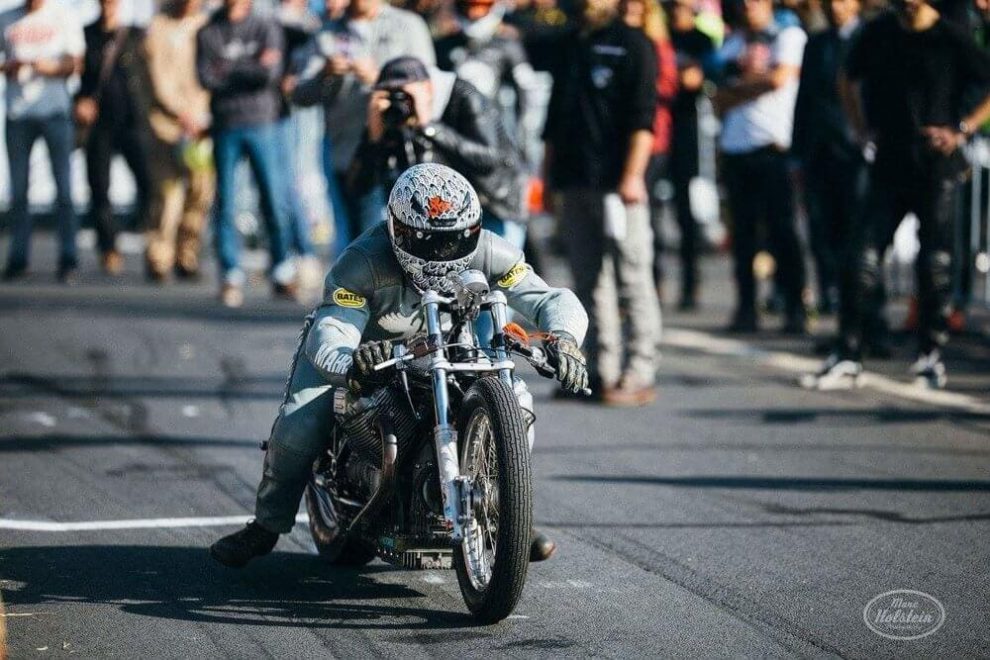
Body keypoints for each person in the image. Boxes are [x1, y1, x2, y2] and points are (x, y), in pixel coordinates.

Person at [209, 163, 589, 568]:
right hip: (365, 354)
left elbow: (549, 298)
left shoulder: (493, 251)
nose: (445, 252)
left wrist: (565, 340)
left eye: (456, 240)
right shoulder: (361, 262)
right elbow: (332, 329)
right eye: (429, 241)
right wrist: (349, 362)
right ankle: (266, 526)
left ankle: (507, 511)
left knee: (516, 399)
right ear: (399, 231)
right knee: (300, 422)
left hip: (445, 350)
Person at [804, 0, 990, 389]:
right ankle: (848, 351)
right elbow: (846, 78)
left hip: (936, 164)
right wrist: (860, 129)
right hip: (889, 160)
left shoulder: (950, 36)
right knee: (861, 257)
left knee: (934, 263)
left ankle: (929, 355)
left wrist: (962, 128)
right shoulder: (880, 32)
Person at [543, 0, 662, 406]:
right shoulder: (571, 44)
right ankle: (598, 369)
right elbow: (554, 119)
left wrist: (632, 175)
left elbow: (643, 118)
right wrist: (547, 176)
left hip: (617, 185)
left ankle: (639, 369)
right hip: (575, 181)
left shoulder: (634, 44)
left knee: (631, 277)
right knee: (588, 282)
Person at [293, 0, 436, 256]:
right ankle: (362, 292)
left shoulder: (407, 25)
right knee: (358, 239)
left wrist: (380, 78)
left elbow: (428, 83)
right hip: (347, 152)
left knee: (408, 235)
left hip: (401, 150)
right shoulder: (327, 34)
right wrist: (325, 74)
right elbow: (300, 95)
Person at [348, 57, 527, 248]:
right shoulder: (389, 118)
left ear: (428, 88)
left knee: (498, 274)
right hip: (440, 216)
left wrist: (429, 126)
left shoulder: (464, 96)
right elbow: (359, 186)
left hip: (491, 205)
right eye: (391, 95)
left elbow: (488, 159)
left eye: (405, 95)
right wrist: (374, 137)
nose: (399, 103)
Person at [713, 0, 808, 333]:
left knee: (782, 231)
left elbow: (779, 79)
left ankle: (795, 305)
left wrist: (738, 88)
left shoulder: (787, 34)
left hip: (772, 148)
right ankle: (746, 308)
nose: (747, 6)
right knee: (743, 236)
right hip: (736, 149)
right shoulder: (734, 40)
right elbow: (718, 95)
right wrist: (750, 84)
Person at [197, 0, 298, 308]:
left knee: (272, 199)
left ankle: (282, 269)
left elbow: (269, 74)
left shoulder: (265, 25)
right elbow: (206, 78)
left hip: (262, 123)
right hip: (226, 124)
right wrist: (251, 65)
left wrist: (229, 69)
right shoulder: (209, 32)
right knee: (226, 202)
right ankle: (230, 274)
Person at [0, 0, 84, 283]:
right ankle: (18, 257)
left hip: (55, 112)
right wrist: (10, 67)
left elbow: (75, 62)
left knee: (64, 189)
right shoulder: (7, 19)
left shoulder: (63, 16)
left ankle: (68, 257)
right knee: (19, 190)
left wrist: (44, 67)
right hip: (17, 113)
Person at [791, 0, 863, 315]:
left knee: (857, 235)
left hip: (856, 152)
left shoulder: (868, 38)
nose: (836, 7)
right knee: (822, 232)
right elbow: (804, 99)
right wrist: (796, 153)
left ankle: (864, 312)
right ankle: (830, 299)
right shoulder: (817, 43)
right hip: (818, 151)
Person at [76, 0, 152, 277]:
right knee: (99, 187)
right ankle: (108, 246)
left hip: (132, 121)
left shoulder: (133, 35)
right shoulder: (86, 34)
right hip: (99, 125)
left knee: (148, 183)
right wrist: (80, 102)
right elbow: (79, 74)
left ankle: (138, 230)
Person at [143, 0, 215, 282]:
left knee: (201, 193)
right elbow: (157, 77)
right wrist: (181, 112)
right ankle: (159, 257)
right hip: (167, 125)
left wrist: (203, 115)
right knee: (168, 194)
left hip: (202, 127)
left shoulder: (208, 25)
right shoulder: (159, 28)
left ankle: (188, 254)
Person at [434, 0, 540, 172]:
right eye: (468, 7)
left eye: (481, 7)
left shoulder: (509, 46)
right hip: (453, 141)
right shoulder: (443, 47)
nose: (473, 14)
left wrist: (524, 140)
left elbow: (528, 95)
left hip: (497, 143)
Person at [620, 0, 679, 306]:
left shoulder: (654, 46)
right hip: (619, 143)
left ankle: (653, 281)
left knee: (646, 215)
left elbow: (667, 86)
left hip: (650, 142)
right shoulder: (613, 41)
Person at [665, 0, 716, 309]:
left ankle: (690, 282)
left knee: (687, 213)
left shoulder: (701, 40)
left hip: (687, 131)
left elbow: (695, 79)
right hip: (660, 131)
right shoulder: (661, 37)